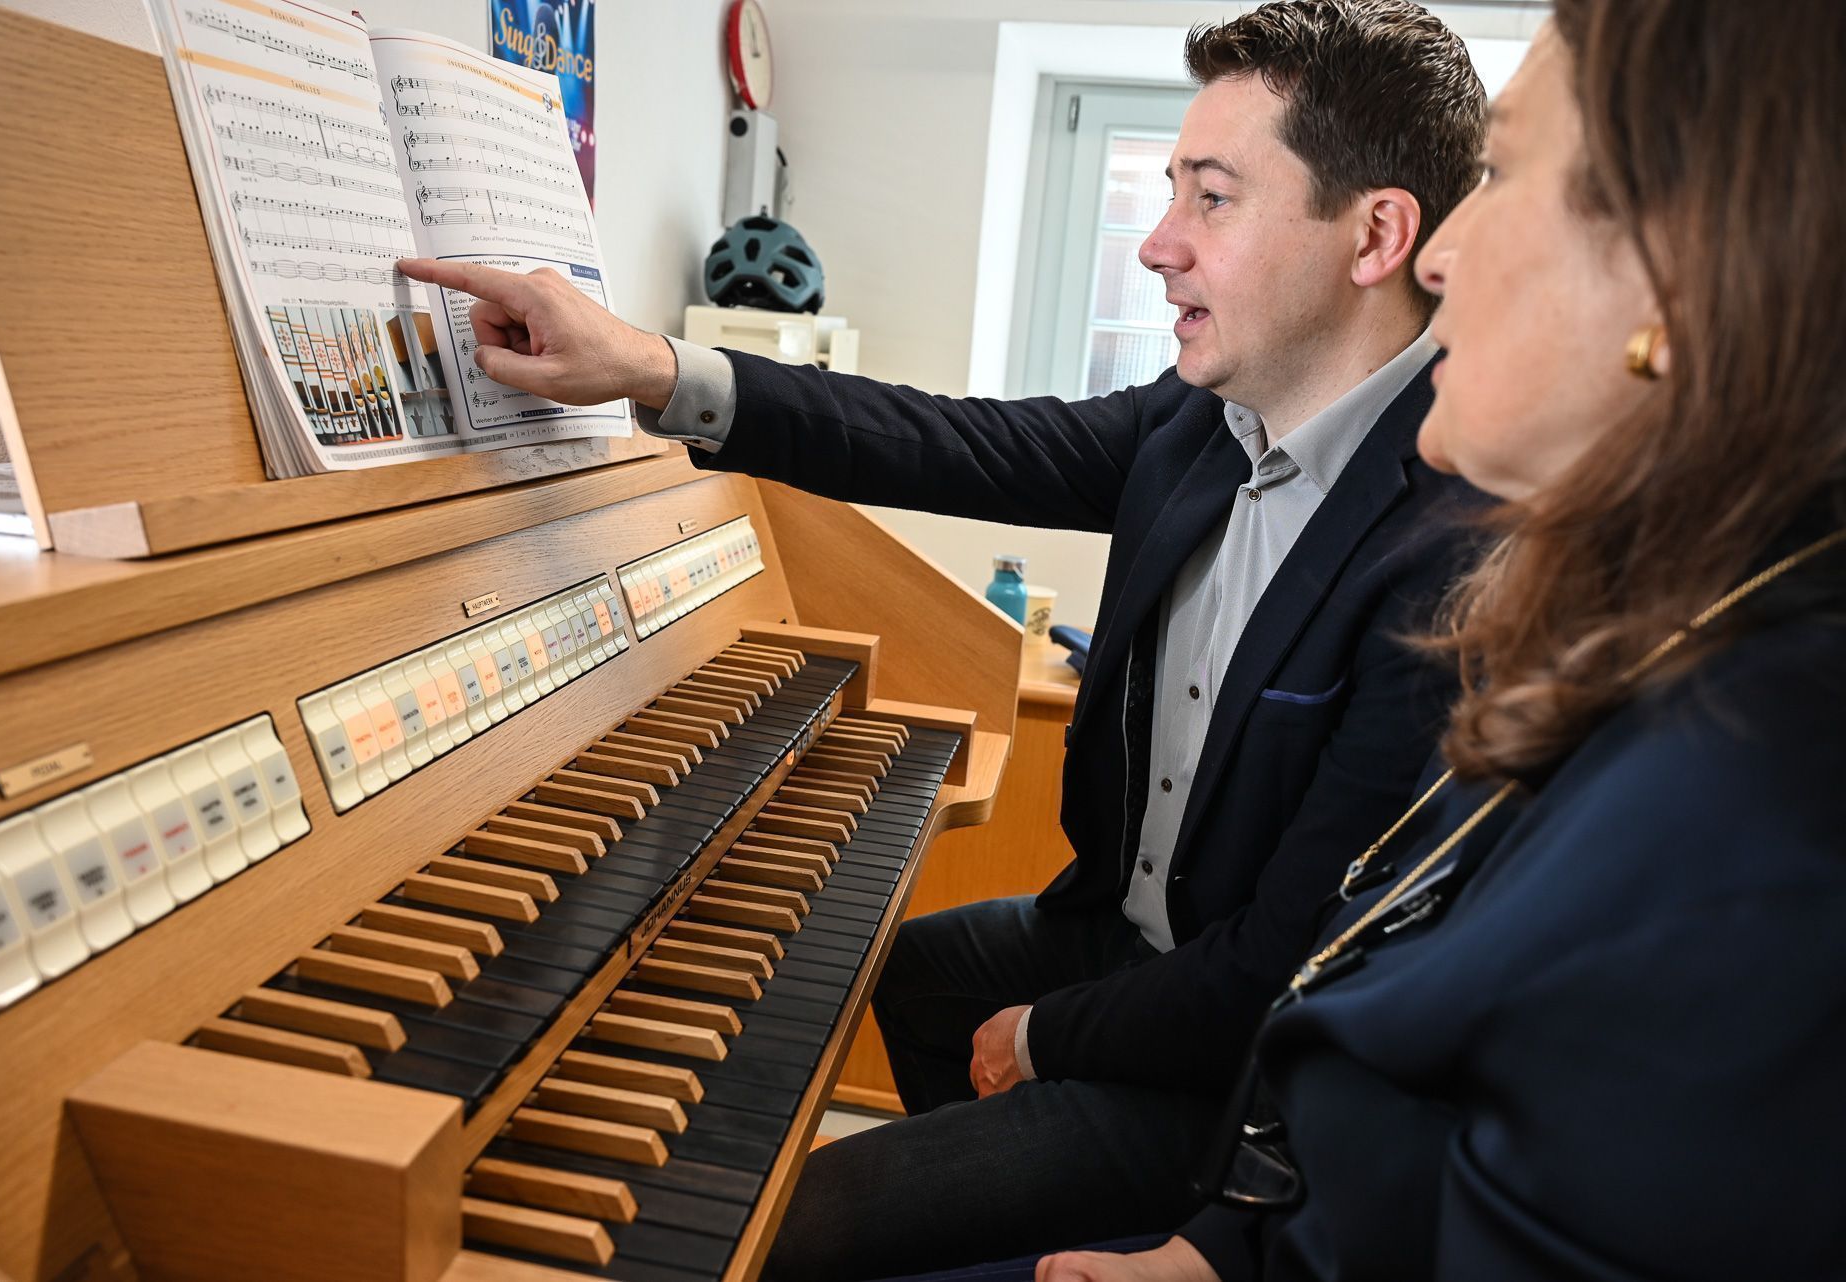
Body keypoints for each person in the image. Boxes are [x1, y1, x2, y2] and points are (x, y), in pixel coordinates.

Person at [400, 4, 1490, 1271]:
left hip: (1245, 1060)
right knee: (907, 971)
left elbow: (1284, 964)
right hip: (1122, 938)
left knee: (794, 1229)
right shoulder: (1194, 426)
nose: (1155, 245)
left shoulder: (1448, 536)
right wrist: (650, 369)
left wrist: (1045, 1040)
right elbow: (945, 437)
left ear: (1377, 235)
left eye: (1212, 199)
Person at [1021, 1, 1846, 1278]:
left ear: (1695, 263)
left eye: (1508, 174)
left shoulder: (1763, 805)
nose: (1444, 257)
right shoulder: (1651, 626)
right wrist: (1225, 1252)